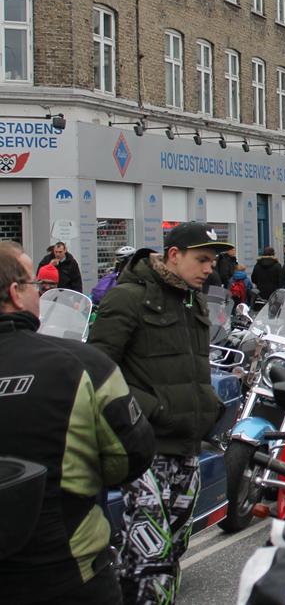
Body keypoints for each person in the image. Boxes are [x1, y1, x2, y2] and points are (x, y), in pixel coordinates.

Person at [0, 242, 155, 605]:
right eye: (36, 286)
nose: (41, 294)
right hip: (67, 572)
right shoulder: (84, 365)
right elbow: (131, 457)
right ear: (15, 293)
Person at [87, 222, 231, 604]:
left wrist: (209, 408)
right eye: (201, 259)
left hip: (186, 443)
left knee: (173, 546)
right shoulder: (128, 298)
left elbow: (196, 367)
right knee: (152, 554)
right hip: (144, 447)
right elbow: (98, 371)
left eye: (212, 260)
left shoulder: (192, 299)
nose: (209, 268)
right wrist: (151, 409)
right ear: (173, 255)